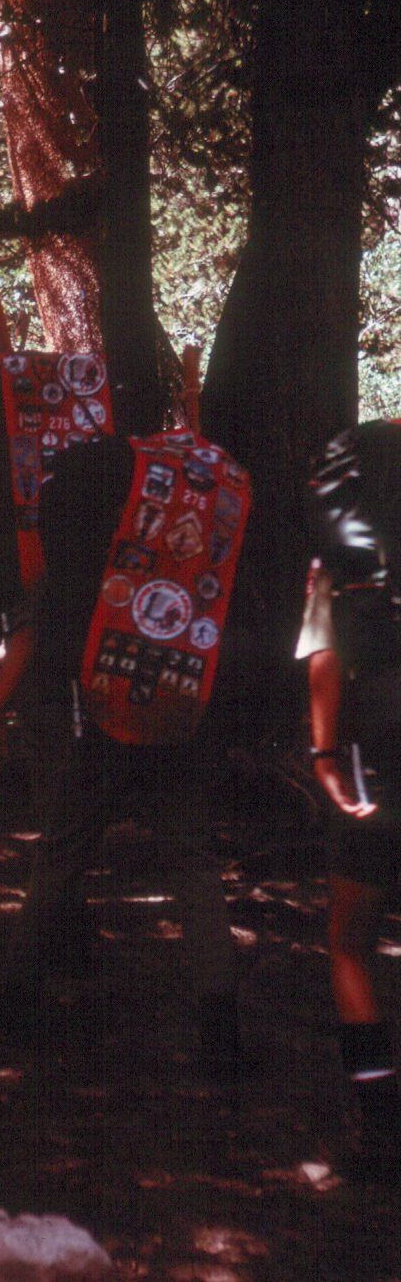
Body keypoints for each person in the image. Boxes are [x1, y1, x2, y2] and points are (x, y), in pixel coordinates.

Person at [0, 429, 252, 1074]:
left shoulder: (91, 507)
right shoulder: (212, 503)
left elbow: (54, 611)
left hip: (106, 706)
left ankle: (15, 998)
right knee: (193, 863)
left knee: (61, 853)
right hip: (180, 701)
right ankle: (220, 1024)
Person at [297, 421, 400, 1175]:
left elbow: (324, 661)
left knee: (349, 943)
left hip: (374, 744)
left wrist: (325, 755)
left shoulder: (338, 570)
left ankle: (379, 1130)